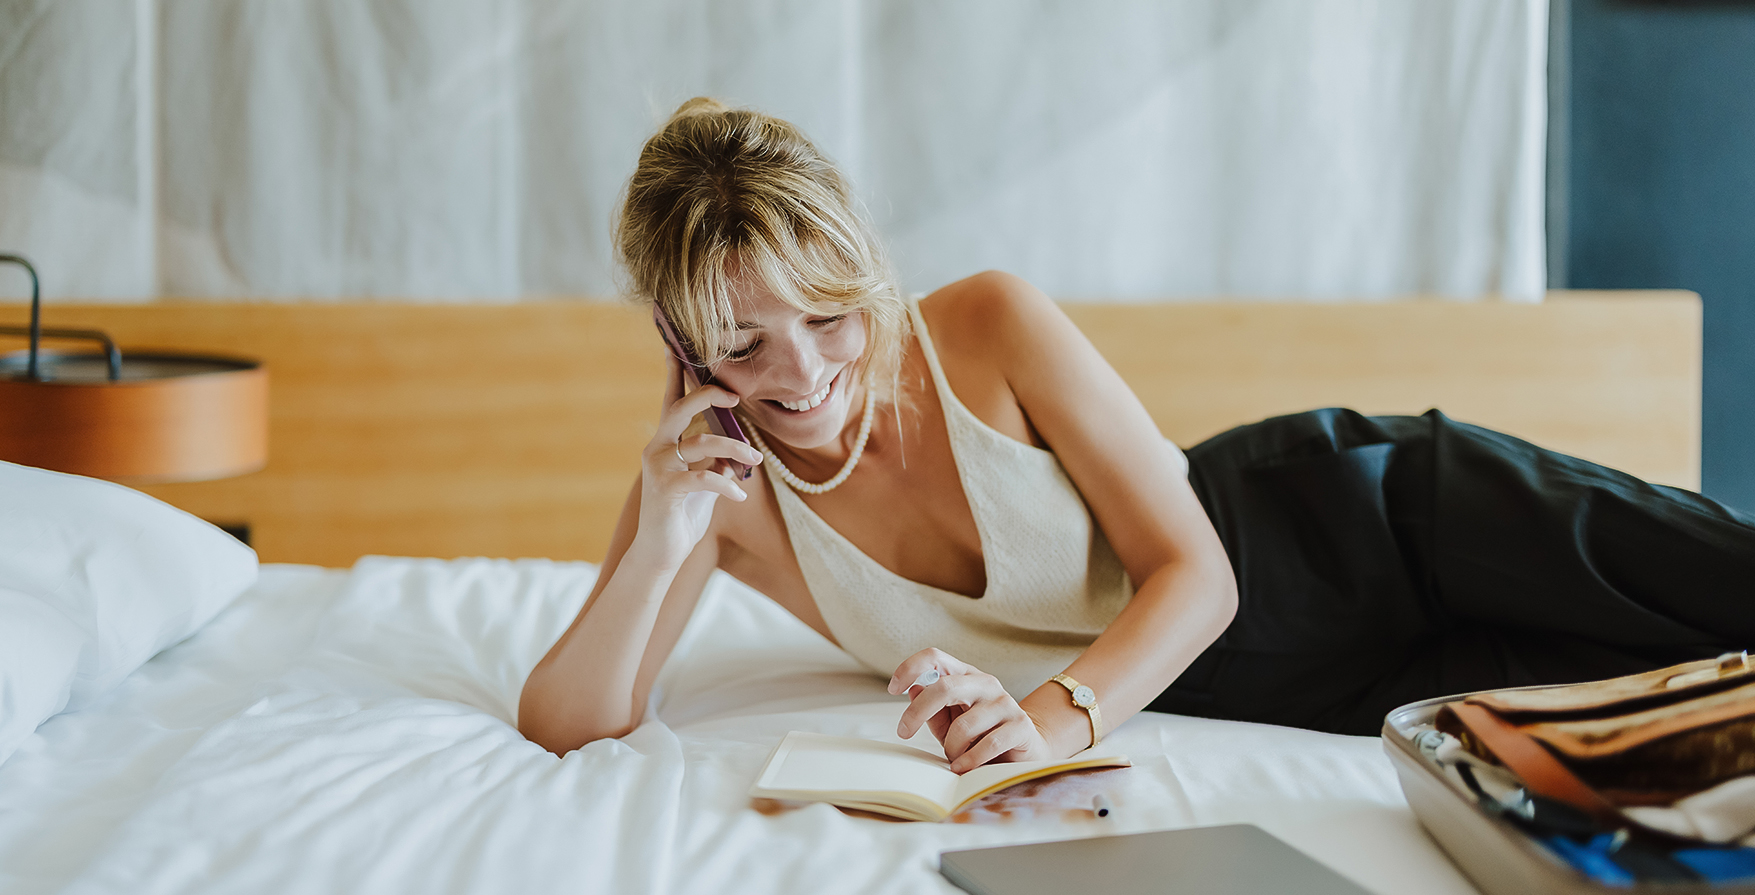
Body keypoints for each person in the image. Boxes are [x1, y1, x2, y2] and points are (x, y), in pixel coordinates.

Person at [518, 98, 1755, 768]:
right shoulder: (715, 492)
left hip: (1363, 519)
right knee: (1687, 709)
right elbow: (569, 721)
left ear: (865, 274)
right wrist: (662, 530)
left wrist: (1049, 722)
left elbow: (1198, 571)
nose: (802, 370)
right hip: (1297, 687)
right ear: (682, 347)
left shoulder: (987, 323)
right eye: (741, 344)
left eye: (828, 313)